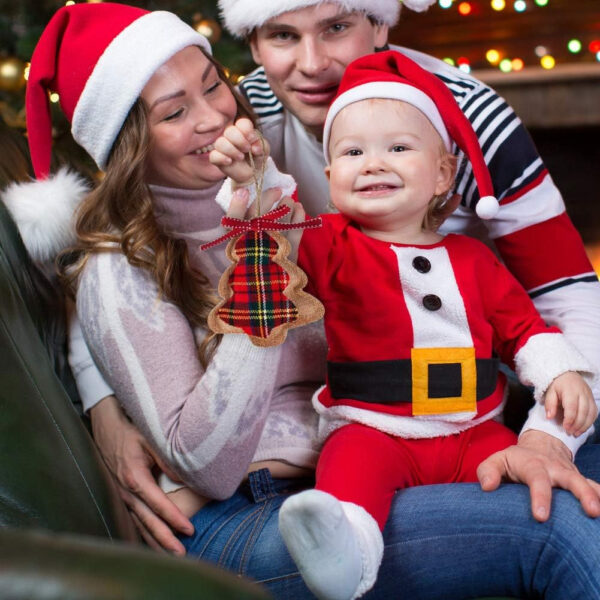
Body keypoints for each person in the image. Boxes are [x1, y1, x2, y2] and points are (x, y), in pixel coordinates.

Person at [17, 3, 600, 600]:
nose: (215, 115)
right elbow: (205, 462)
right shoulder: (135, 263)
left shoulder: (289, 188)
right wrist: (106, 401)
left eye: (213, 84)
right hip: (253, 511)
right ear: (129, 140)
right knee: (555, 528)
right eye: (174, 112)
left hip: (363, 458)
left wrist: (545, 429)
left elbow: (554, 297)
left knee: (584, 465)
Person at [210, 50, 598, 599]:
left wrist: (558, 373)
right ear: (330, 177)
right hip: (374, 429)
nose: (372, 163)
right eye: (352, 152)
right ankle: (345, 553)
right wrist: (254, 175)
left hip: (475, 432)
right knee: (348, 470)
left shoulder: (474, 258)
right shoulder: (332, 244)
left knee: (533, 490)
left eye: (397, 148)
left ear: (443, 172)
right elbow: (282, 218)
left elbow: (522, 328)